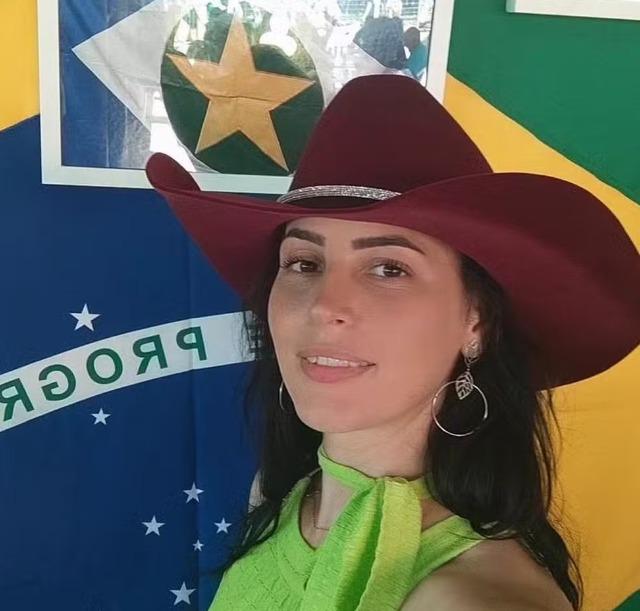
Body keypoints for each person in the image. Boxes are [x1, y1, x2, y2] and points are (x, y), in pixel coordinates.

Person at [144, 74, 640, 610]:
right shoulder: (282, 494)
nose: (324, 306)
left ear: (477, 323)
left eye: (388, 268)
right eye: (304, 263)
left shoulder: (472, 600)